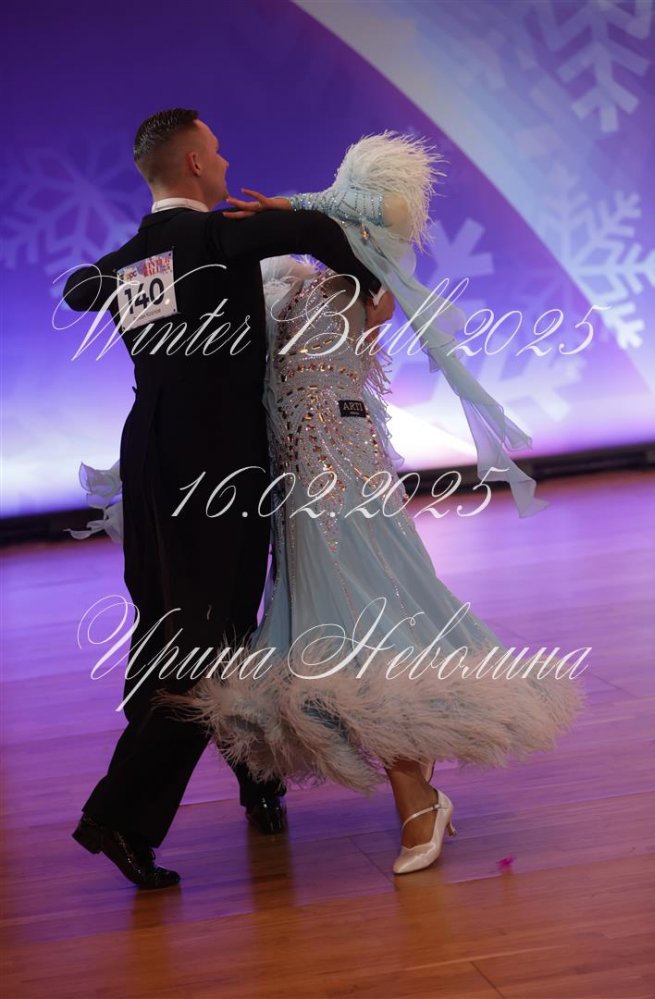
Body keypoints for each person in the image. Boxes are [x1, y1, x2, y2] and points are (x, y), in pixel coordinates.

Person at [158, 132, 587, 876]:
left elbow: (359, 220)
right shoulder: (291, 274)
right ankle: (415, 791)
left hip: (346, 473)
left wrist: (298, 204)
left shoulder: (366, 279)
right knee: (345, 626)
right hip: (296, 483)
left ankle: (414, 796)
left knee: (369, 617)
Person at [62, 108, 393, 890]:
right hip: (215, 467)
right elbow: (316, 233)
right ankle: (120, 815)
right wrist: (367, 283)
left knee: (176, 629)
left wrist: (126, 278)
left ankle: (257, 779)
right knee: (207, 638)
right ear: (193, 164)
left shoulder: (136, 258)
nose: (226, 162)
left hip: (149, 458)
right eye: (216, 152)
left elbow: (80, 290)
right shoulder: (216, 236)